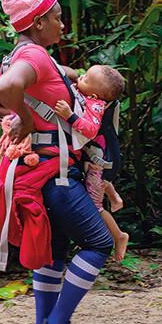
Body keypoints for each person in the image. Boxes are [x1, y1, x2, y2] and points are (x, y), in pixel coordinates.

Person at [0, 0, 112, 324]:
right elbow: (4, 93)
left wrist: (26, 115)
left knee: (54, 251)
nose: (62, 24)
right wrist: (23, 115)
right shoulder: (33, 57)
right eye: (56, 18)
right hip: (55, 173)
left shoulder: (24, 55)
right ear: (38, 22)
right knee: (99, 242)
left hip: (43, 172)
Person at [52, 64, 130, 260]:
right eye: (84, 73)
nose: (80, 78)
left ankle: (119, 236)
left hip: (98, 167)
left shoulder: (95, 105)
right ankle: (114, 197)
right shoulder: (87, 94)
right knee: (100, 182)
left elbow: (90, 130)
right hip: (99, 162)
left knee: (95, 205)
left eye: (85, 79)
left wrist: (69, 115)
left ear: (95, 96)